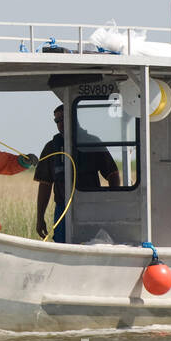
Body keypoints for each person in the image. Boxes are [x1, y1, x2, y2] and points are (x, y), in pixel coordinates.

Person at [33, 103, 121, 242]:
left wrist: (110, 205)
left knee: (93, 243)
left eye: (63, 119)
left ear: (74, 118)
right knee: (62, 247)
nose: (60, 123)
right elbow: (45, 184)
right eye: (57, 121)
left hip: (91, 207)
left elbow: (112, 174)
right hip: (62, 208)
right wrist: (40, 218)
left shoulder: (92, 142)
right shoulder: (51, 148)